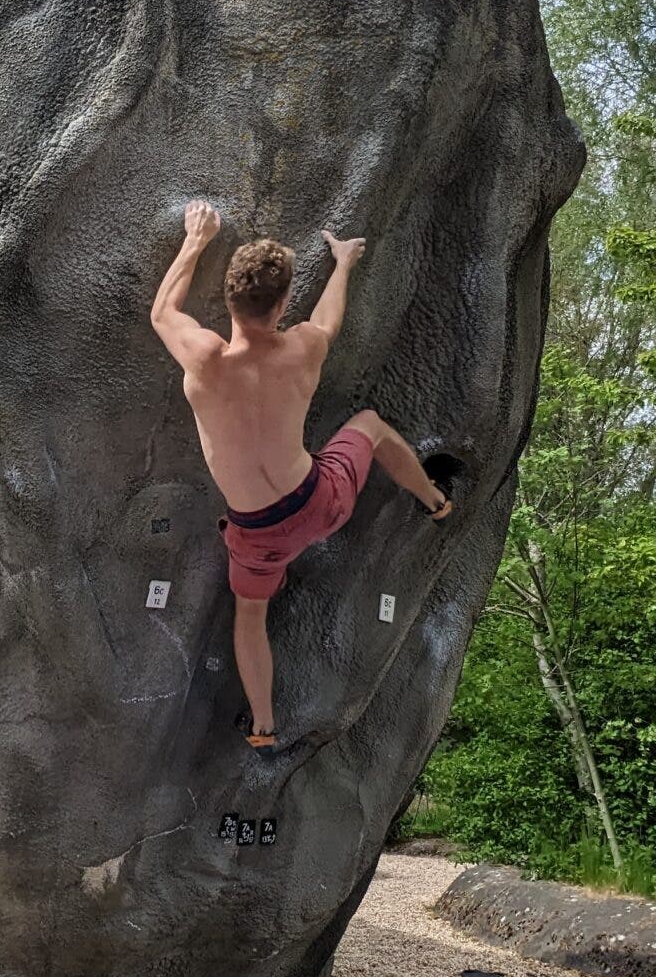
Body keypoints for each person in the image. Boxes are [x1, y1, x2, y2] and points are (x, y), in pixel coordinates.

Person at [149, 199, 453, 749]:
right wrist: (341, 263)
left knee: (251, 611)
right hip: (321, 503)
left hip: (258, 536)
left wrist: (196, 238)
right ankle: (435, 500)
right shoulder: (303, 349)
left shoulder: (206, 359)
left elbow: (162, 314)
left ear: (228, 302)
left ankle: (263, 726)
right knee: (369, 424)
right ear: (285, 302)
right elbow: (329, 319)